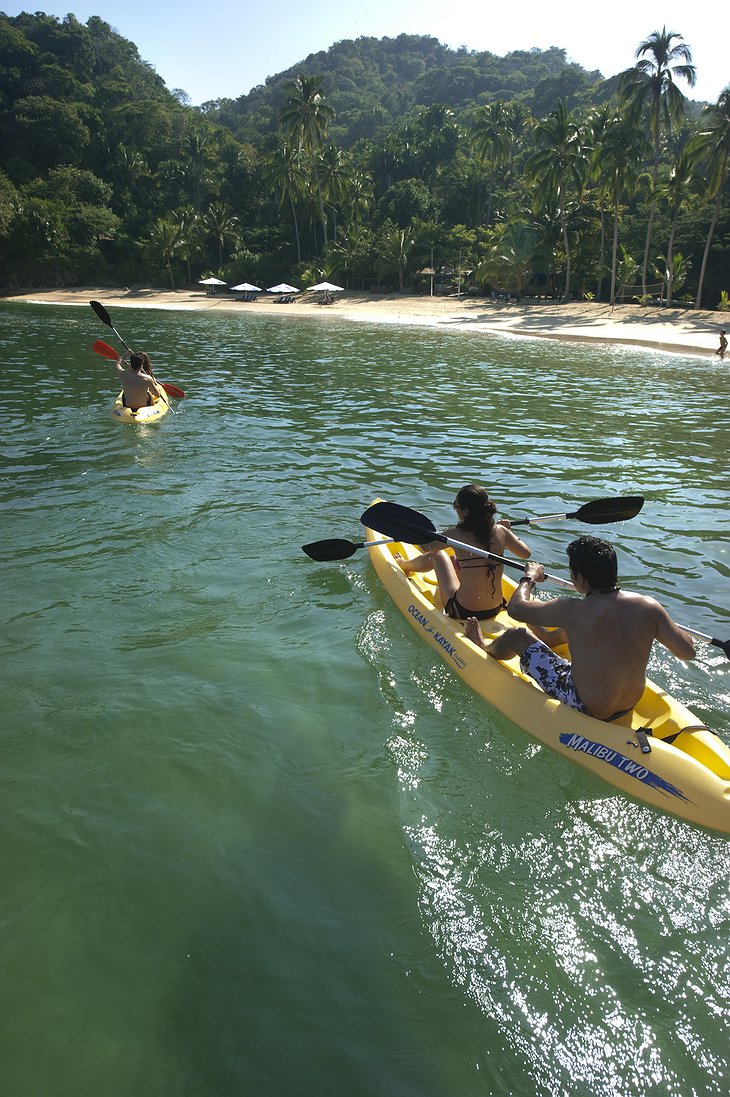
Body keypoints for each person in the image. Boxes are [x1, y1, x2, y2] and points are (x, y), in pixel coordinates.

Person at [464, 535, 696, 722]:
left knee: (516, 635)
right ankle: (544, 638)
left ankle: (483, 646)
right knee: (572, 634)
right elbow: (688, 651)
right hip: (628, 704)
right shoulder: (649, 606)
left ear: (581, 579)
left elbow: (515, 608)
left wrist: (529, 578)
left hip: (584, 705)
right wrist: (668, 625)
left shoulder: (573, 609)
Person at [395, 484, 531, 620]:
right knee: (455, 559)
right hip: (495, 608)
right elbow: (526, 553)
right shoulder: (501, 531)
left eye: (456, 506)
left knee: (438, 556)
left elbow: (425, 548)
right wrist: (508, 532)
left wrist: (416, 532)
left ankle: (403, 564)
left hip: (463, 611)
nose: (455, 509)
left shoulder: (455, 534)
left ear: (465, 511)